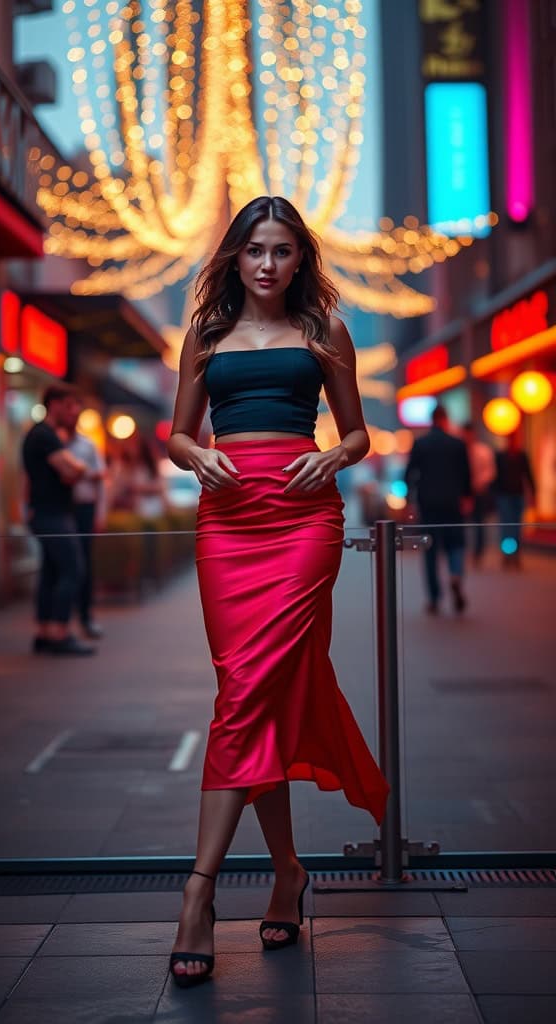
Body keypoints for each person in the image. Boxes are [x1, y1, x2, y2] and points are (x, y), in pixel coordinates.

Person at [166, 195, 389, 988]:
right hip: (227, 523)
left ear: (300, 260)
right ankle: (288, 872)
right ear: (236, 255)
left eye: (283, 251)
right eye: (255, 249)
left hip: (301, 522)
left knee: (248, 693)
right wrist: (197, 455)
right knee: (248, 691)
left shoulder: (324, 331)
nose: (268, 263)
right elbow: (177, 433)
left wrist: (334, 457)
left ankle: (198, 894)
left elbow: (359, 432)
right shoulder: (207, 333)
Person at [21, 383, 96, 655]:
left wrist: (74, 469)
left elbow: (71, 471)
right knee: (72, 569)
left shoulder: (43, 435)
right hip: (52, 514)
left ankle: (44, 632)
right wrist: (78, 467)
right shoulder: (45, 435)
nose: (75, 411)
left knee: (51, 572)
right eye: (70, 405)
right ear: (54, 404)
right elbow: (72, 470)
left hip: (46, 512)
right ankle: (59, 632)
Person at [405, 404, 472, 614]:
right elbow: (466, 475)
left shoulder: (420, 444)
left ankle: (434, 598)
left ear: (431, 420)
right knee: (456, 544)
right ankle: (455, 575)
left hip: (428, 504)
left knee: (430, 550)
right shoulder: (458, 444)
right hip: (453, 503)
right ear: (445, 419)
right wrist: (467, 497)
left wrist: (410, 500)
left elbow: (409, 474)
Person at [64, 422, 106, 639]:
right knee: (64, 564)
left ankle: (85, 616)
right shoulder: (56, 443)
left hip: (85, 507)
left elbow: (101, 476)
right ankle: (62, 620)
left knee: (84, 562)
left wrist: (100, 513)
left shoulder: (87, 445)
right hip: (62, 508)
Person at [493, 431, 536, 568]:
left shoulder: (522, 456)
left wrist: (533, 494)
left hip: (518, 495)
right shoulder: (500, 456)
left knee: (516, 527)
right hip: (504, 496)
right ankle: (508, 554)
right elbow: (496, 477)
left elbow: (529, 475)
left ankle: (515, 555)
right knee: (507, 527)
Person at [462, 421, 496, 564]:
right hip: (463, 492)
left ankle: (478, 552)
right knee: (463, 524)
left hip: (479, 492)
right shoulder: (460, 451)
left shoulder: (483, 451)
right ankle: (466, 551)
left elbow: (490, 471)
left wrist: (479, 483)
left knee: (479, 522)